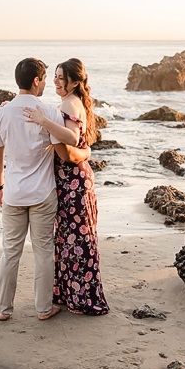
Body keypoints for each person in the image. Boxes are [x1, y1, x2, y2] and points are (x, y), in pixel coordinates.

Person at [0, 57, 91, 321]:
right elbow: (65, 149)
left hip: (13, 193)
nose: (48, 83)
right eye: (46, 78)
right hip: (43, 194)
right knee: (44, 250)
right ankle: (44, 309)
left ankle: (2, 308)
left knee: (10, 250)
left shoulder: (1, 113)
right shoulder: (50, 113)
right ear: (36, 81)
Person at [23, 58, 109, 315]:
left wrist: (43, 122)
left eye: (61, 78)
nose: (56, 82)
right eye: (56, 77)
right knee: (72, 238)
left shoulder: (70, 103)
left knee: (76, 239)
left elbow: (69, 151)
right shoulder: (69, 102)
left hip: (73, 182)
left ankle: (81, 299)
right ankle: (71, 294)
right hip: (72, 180)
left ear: (75, 81)